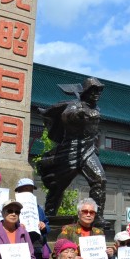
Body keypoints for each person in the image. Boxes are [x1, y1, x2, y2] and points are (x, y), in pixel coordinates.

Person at [39, 77, 108, 224]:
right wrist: (77, 115)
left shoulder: (96, 108)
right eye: (93, 90)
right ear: (85, 92)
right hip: (71, 151)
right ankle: (48, 217)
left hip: (88, 151)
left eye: (99, 91)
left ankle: (98, 217)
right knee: (57, 186)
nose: (96, 93)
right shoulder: (75, 106)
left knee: (100, 180)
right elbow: (67, 115)